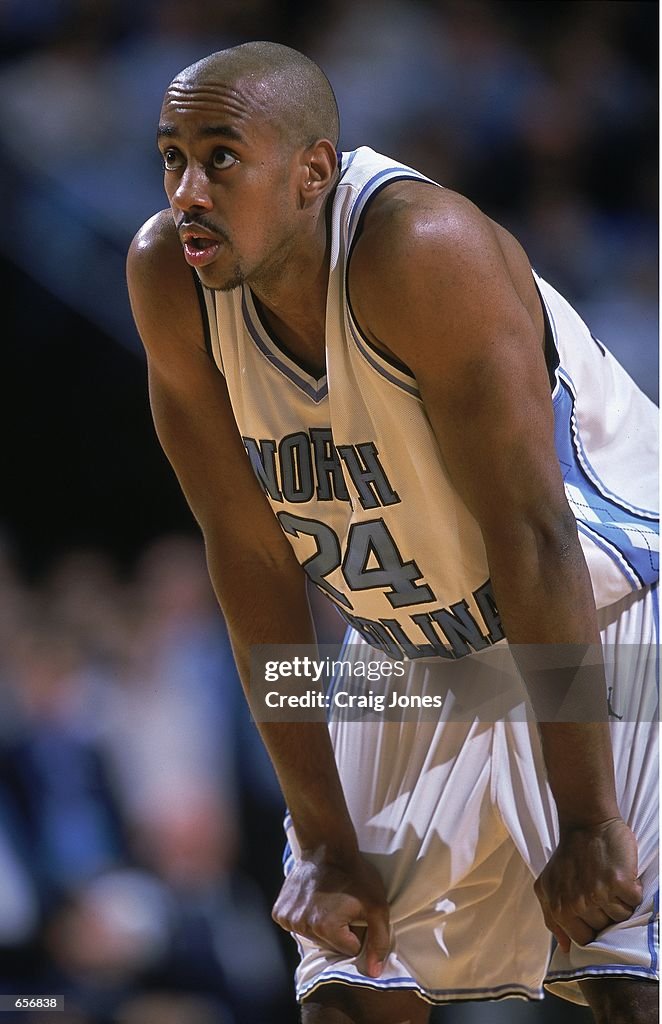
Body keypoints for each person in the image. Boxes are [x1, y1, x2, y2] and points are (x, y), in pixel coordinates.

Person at [126, 41, 658, 1024]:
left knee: (625, 976)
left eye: (220, 158)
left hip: (603, 611)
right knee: (346, 987)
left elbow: (534, 537)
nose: (186, 189)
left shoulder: (420, 249)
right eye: (171, 158)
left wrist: (586, 816)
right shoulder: (169, 278)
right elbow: (246, 555)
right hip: (409, 646)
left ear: (312, 173)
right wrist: (323, 841)